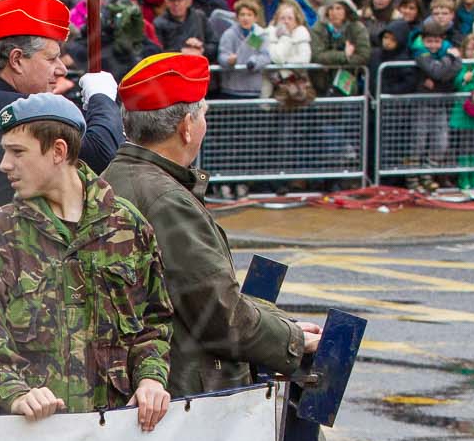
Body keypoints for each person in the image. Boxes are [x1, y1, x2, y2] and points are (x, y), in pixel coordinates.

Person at [101, 53, 316, 394]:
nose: (205, 125)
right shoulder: (167, 200)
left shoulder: (113, 177)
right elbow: (216, 315)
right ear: (186, 127)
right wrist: (292, 339)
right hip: (179, 388)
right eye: (203, 115)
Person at [0, 93, 173, 427]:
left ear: (58, 151)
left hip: (115, 433)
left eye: (17, 152)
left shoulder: (126, 226)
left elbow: (153, 321)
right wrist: (17, 394)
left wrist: (150, 378)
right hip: (31, 437)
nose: (4, 164)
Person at [0, 0, 124, 264]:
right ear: (16, 60)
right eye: (51, 59)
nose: (61, 69)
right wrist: (101, 99)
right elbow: (101, 154)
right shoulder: (21, 115)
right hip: (21, 274)